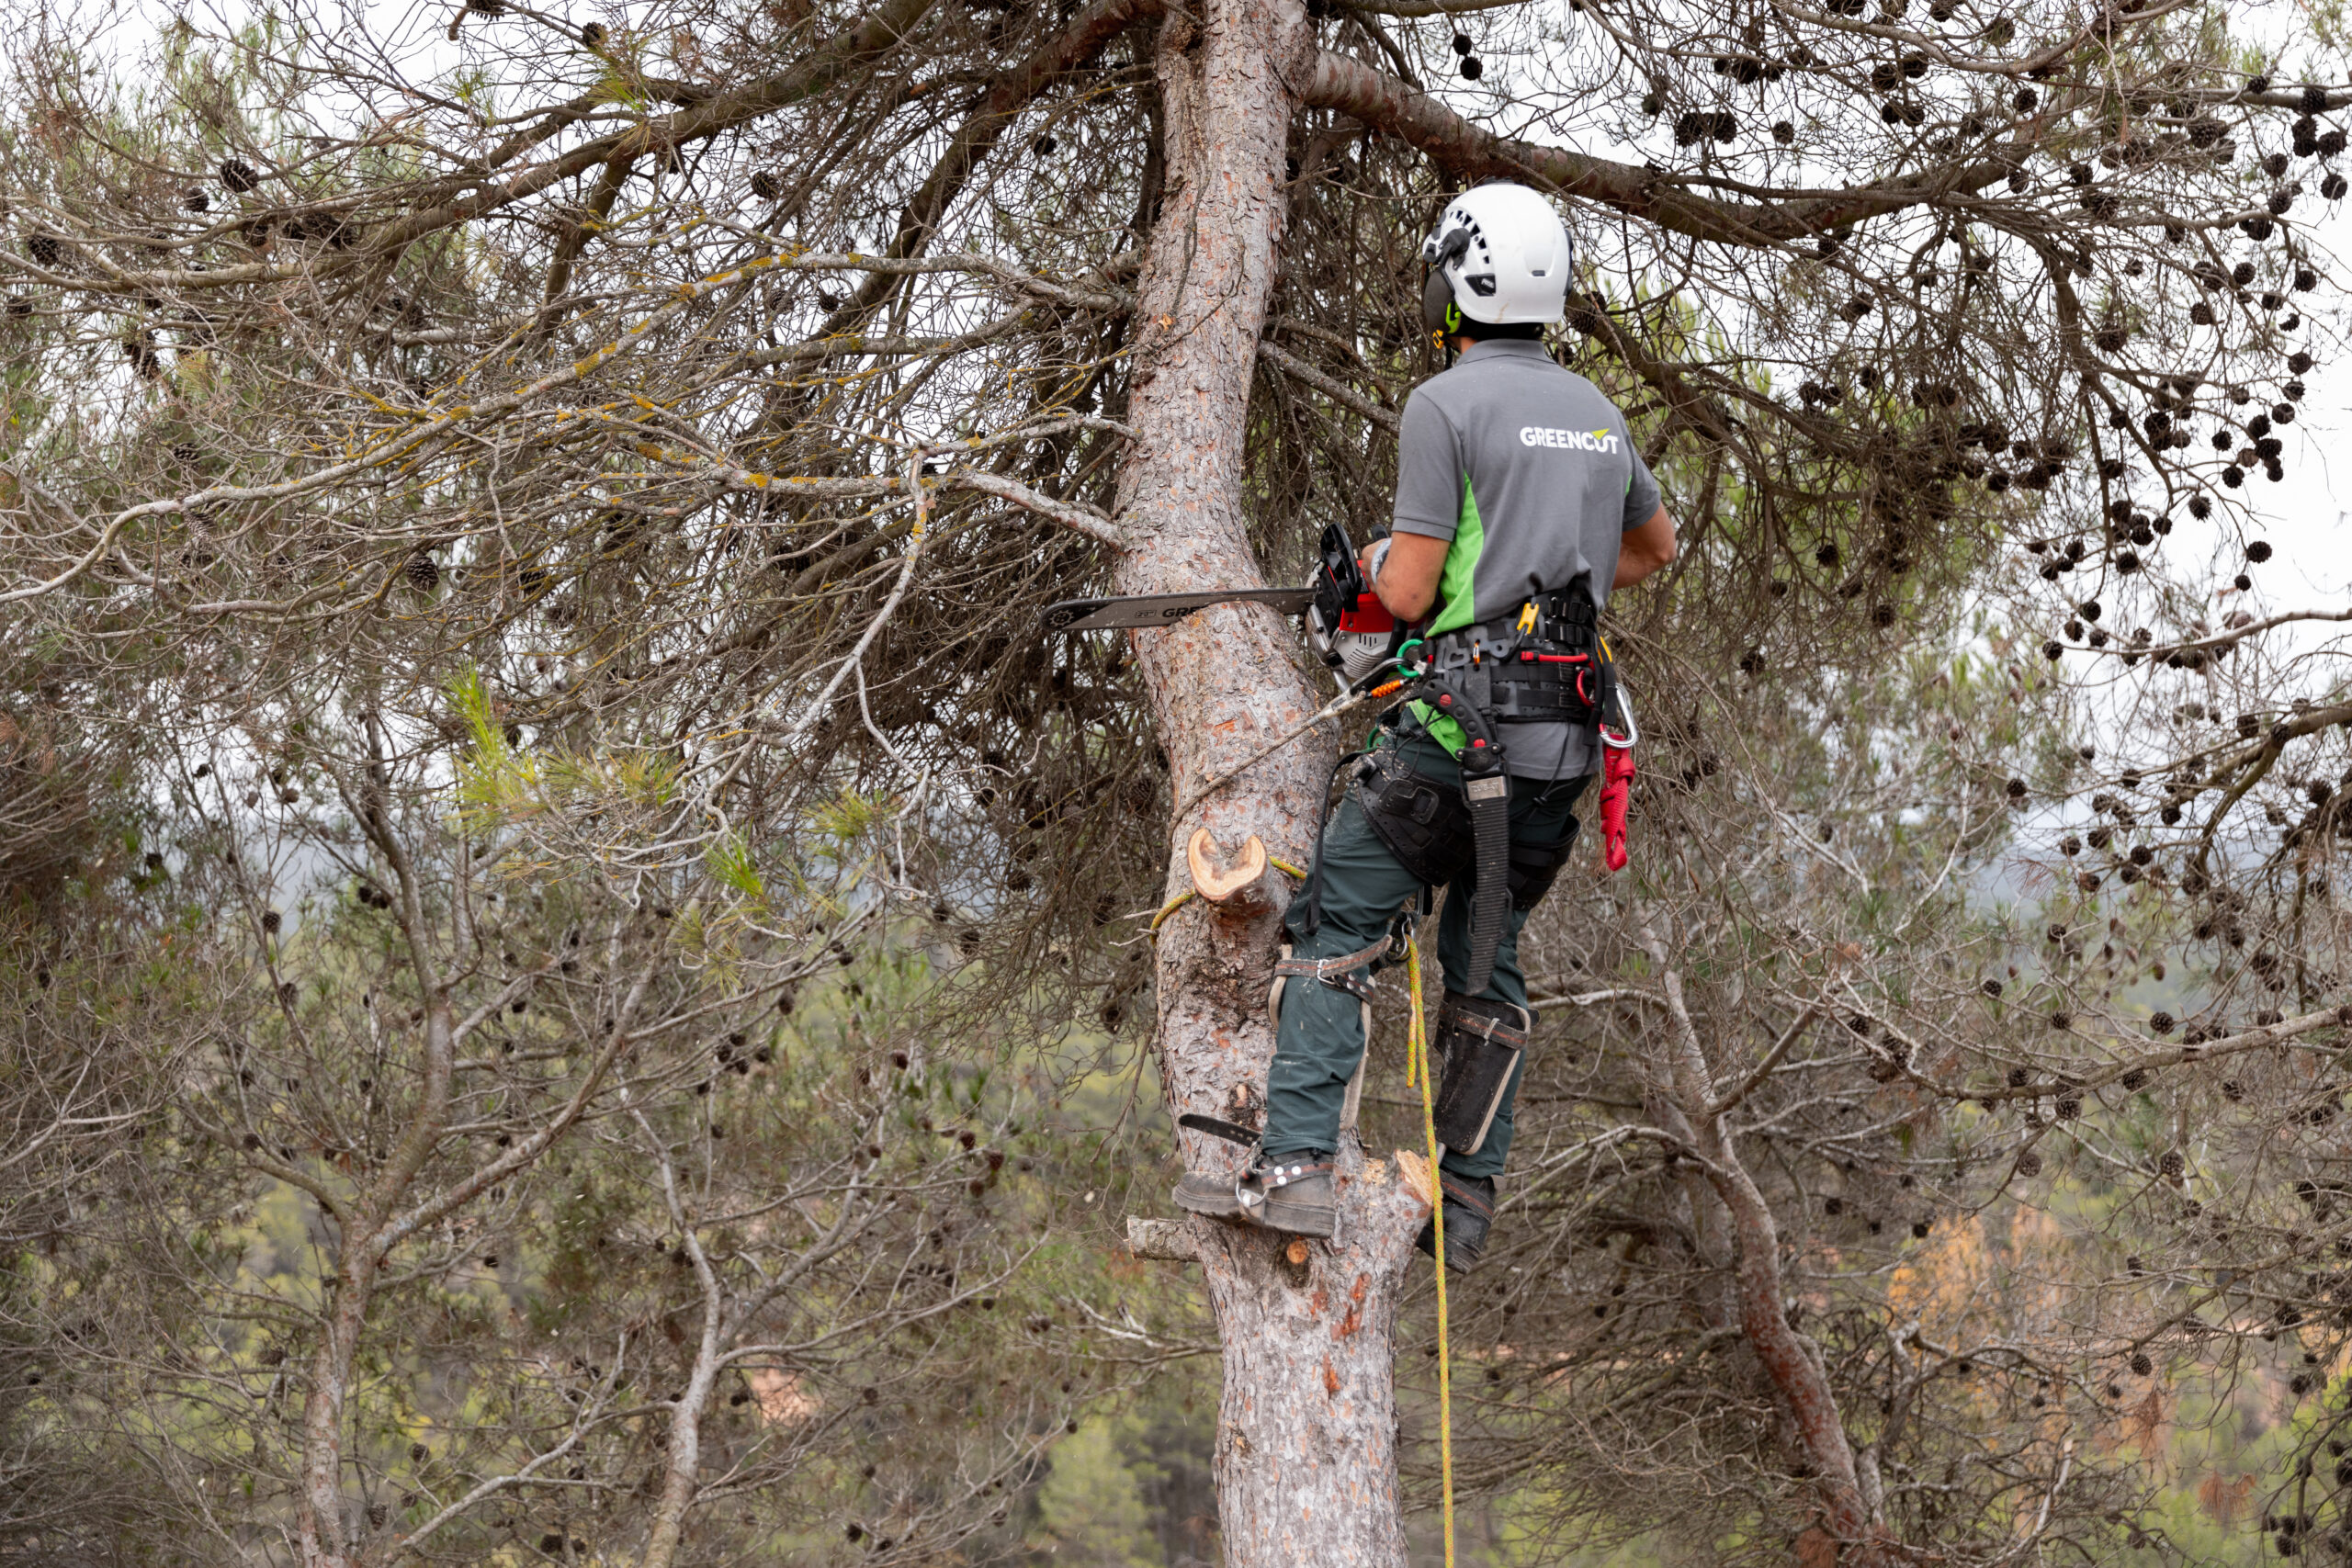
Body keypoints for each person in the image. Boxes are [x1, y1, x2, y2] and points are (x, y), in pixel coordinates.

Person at [1172, 181, 1679, 1267]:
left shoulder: (1443, 404)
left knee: (1335, 934)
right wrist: (1540, 587)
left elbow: (1402, 596)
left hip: (1447, 748)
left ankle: (1295, 1171)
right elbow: (1650, 550)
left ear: (1458, 281)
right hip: (1556, 763)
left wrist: (1362, 576)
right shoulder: (1598, 414)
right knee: (1484, 961)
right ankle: (1468, 1202)